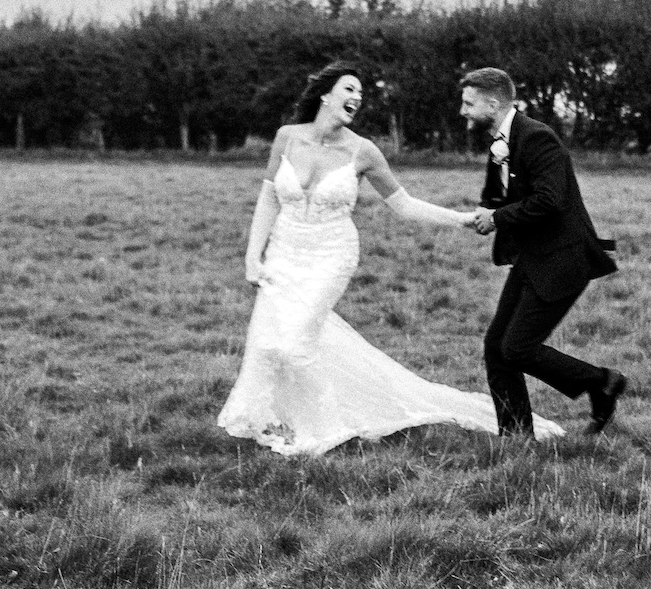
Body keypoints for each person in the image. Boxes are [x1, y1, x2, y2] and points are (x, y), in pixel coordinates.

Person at [217, 61, 564, 455]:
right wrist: (253, 257)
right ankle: (276, 419)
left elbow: (404, 205)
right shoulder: (287, 137)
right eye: (349, 89)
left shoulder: (363, 150)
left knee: (296, 344)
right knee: (268, 343)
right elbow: (268, 198)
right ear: (326, 94)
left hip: (330, 256)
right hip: (283, 252)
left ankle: (321, 428)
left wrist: (462, 219)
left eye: (360, 93)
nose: (357, 97)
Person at [459, 68, 628, 436]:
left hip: (563, 259)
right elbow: (499, 196)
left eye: (469, 103)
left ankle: (602, 382)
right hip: (532, 258)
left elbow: (549, 200)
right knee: (496, 347)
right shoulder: (501, 143)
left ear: (493, 104)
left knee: (517, 348)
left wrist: (497, 217)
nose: (463, 111)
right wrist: (483, 214)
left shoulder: (537, 137)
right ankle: (516, 435)